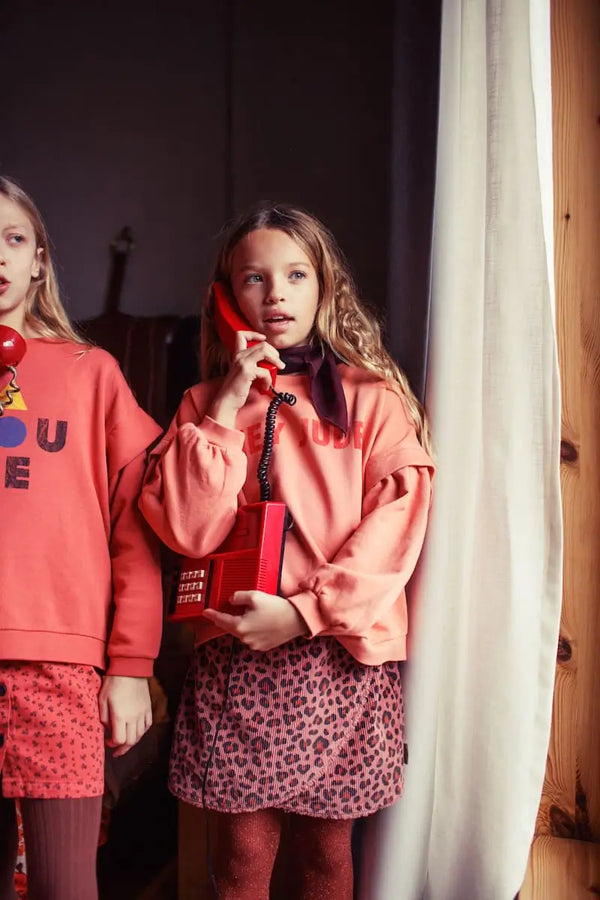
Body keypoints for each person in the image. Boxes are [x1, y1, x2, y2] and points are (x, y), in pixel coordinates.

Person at [140, 203, 435, 899]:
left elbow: (397, 524)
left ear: (324, 289)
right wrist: (223, 410)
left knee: (326, 852)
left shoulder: (372, 401)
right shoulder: (201, 406)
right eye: (254, 278)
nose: (276, 293)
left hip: (338, 655)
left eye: (295, 275)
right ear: (225, 296)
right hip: (238, 659)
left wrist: (305, 612)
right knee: (240, 855)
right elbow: (186, 529)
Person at [0, 176, 163, 900]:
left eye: (13, 237)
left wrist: (130, 664)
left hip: (59, 669)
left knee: (66, 887)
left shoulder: (90, 372)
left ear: (40, 259)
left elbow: (138, 527)